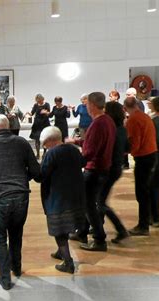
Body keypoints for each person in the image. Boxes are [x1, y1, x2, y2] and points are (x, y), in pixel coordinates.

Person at [0, 115, 40, 290]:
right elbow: (36, 171)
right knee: (16, 234)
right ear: (9, 126)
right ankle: (17, 268)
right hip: (20, 196)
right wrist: (21, 178)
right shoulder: (22, 142)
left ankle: (5, 278)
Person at [67, 92, 116, 251]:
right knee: (87, 203)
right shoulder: (108, 120)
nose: (86, 107)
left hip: (95, 169)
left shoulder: (97, 124)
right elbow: (94, 142)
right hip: (103, 168)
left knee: (88, 205)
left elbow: (90, 152)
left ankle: (99, 239)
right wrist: (77, 141)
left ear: (92, 105)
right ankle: (81, 232)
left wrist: (72, 163)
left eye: (87, 104)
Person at [39, 126, 86, 274]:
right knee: (67, 224)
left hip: (57, 195)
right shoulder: (73, 149)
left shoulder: (51, 154)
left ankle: (68, 261)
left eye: (45, 143)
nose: (44, 146)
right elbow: (83, 163)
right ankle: (61, 252)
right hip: (75, 193)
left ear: (51, 140)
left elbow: (42, 175)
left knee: (58, 229)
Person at [124, 97, 158, 236]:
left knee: (141, 192)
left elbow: (135, 142)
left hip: (143, 157)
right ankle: (149, 219)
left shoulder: (133, 119)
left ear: (125, 108)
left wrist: (126, 151)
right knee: (146, 190)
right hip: (151, 154)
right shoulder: (145, 117)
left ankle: (143, 226)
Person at [100, 101, 130, 243]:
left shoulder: (113, 129)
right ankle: (96, 227)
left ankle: (121, 230)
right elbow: (127, 147)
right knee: (99, 200)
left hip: (110, 169)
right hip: (116, 168)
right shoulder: (122, 128)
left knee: (99, 202)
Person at [28, 93, 50, 159]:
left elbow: (49, 113)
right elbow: (32, 113)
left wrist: (45, 112)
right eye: (37, 101)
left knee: (45, 139)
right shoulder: (35, 105)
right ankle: (37, 154)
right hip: (37, 124)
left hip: (45, 124)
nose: (38, 102)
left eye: (39, 100)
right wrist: (28, 113)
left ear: (42, 99)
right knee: (37, 140)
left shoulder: (47, 104)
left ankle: (44, 153)